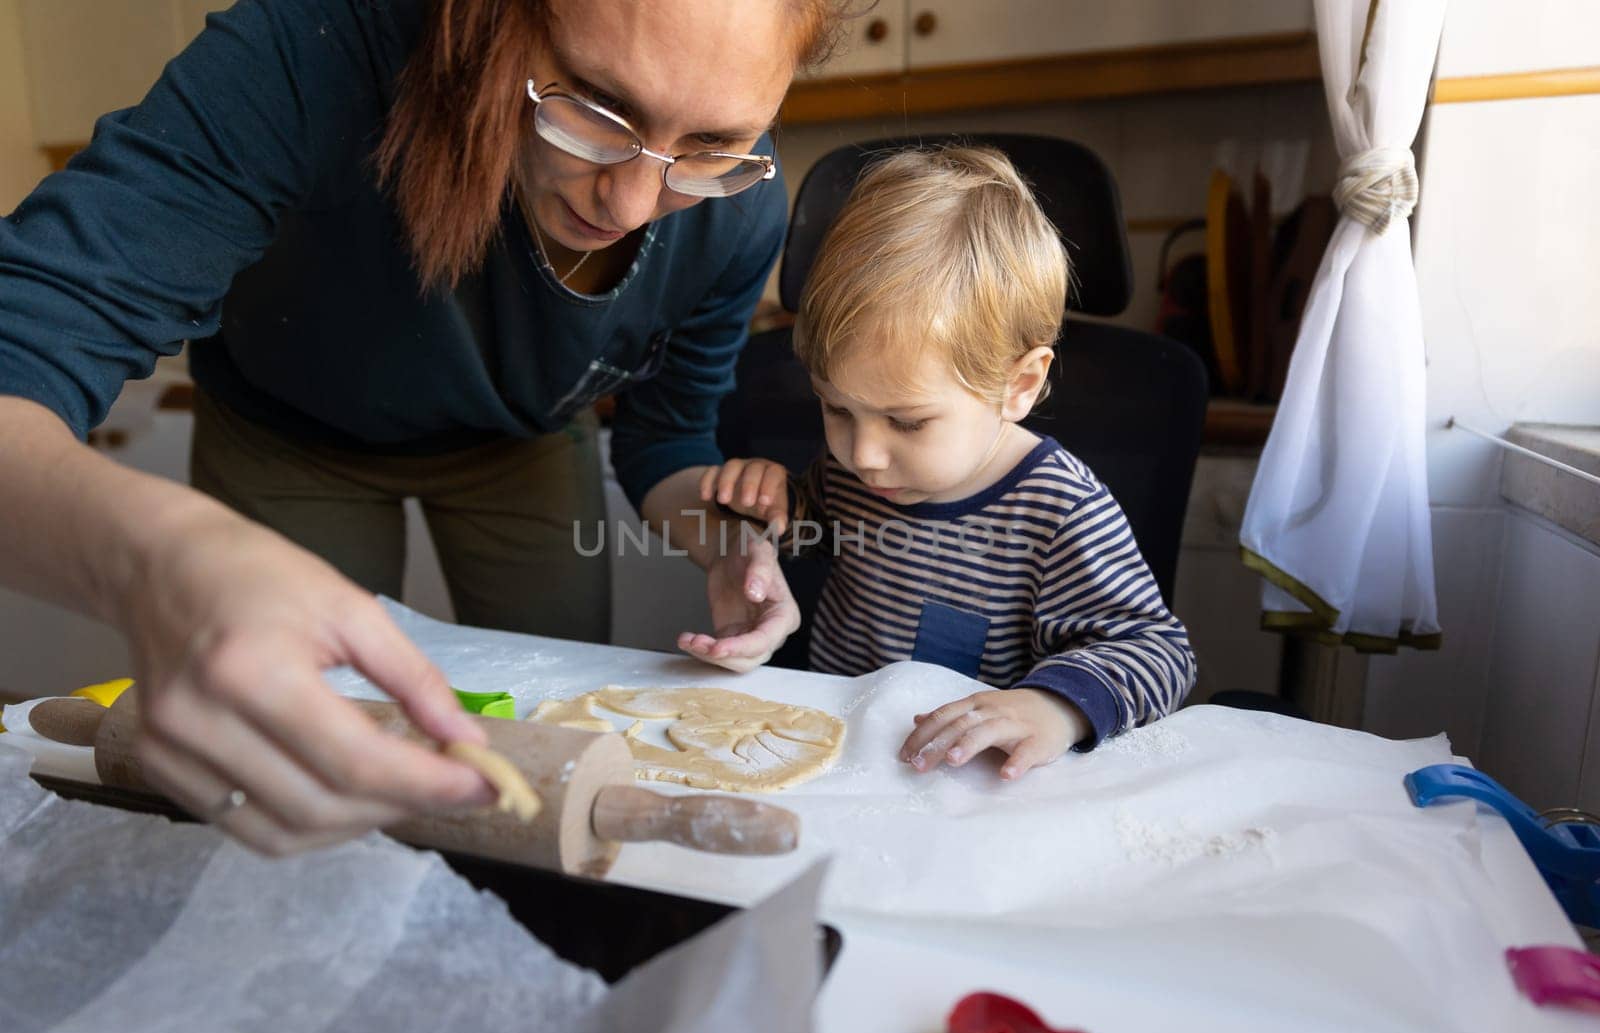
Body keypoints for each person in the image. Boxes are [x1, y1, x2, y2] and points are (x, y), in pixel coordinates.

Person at [0, 0, 855, 854]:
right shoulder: (316, 49)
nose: (633, 203)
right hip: (286, 430)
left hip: (518, 444)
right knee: (290, 763)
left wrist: (725, 543)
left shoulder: (741, 208)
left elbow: (665, 440)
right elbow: (27, 343)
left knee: (546, 729)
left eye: (711, 145)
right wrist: (163, 558)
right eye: (596, 106)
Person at [699, 146, 1198, 779]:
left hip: (964, 786)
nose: (862, 455)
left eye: (907, 421)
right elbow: (811, 528)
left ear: (1018, 386)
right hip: (837, 758)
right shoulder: (860, 476)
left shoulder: (1059, 509)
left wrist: (1054, 707)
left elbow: (1158, 651)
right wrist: (766, 507)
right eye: (836, 409)